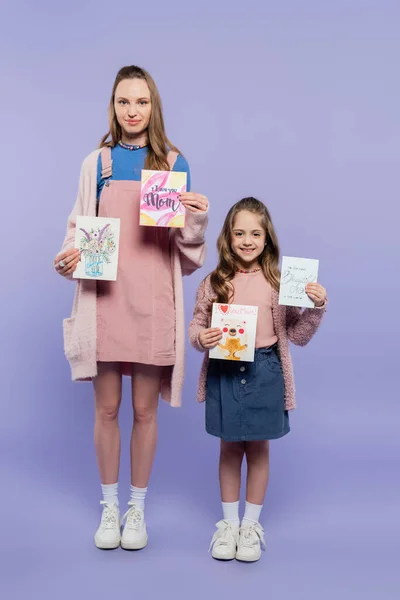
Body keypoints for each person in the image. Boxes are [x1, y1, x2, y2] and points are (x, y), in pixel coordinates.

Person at [54, 65, 209, 550]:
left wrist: (197, 219)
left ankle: (137, 510)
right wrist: (69, 258)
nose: (133, 111)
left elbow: (184, 251)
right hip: (105, 299)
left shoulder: (173, 162)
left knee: (144, 410)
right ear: (113, 106)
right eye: (124, 102)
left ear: (153, 105)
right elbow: (79, 227)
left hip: (151, 299)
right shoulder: (95, 164)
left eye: (141, 102)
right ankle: (109, 508)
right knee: (106, 409)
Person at [188, 197, 326, 562]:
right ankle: (229, 526)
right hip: (225, 372)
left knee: (259, 449)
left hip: (266, 371)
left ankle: (250, 526)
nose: (247, 240)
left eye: (255, 233)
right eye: (239, 233)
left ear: (267, 239)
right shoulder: (213, 281)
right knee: (229, 447)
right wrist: (200, 338)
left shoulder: (281, 283)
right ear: (228, 238)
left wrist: (316, 306)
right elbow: (196, 326)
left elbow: (297, 335)